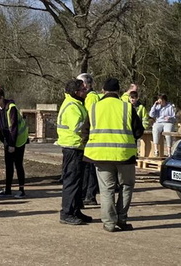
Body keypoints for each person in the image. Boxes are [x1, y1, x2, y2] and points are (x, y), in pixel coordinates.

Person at [83, 77, 144, 232]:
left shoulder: (94, 108)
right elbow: (139, 131)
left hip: (100, 155)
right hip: (125, 155)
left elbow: (85, 132)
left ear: (103, 91)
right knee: (126, 187)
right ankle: (122, 219)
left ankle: (109, 223)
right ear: (119, 91)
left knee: (106, 190)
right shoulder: (127, 107)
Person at [57, 78, 93, 225]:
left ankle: (75, 210)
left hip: (77, 147)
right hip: (72, 148)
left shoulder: (77, 104)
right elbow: (78, 127)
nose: (86, 91)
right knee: (71, 181)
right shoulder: (72, 106)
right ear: (76, 92)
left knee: (78, 181)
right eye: (83, 90)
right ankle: (66, 213)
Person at [77, 73, 99, 205]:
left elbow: (90, 119)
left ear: (86, 84)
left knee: (89, 168)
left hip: (91, 137)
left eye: (80, 83)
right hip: (90, 137)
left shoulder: (91, 98)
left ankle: (89, 196)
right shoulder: (90, 97)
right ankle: (88, 195)